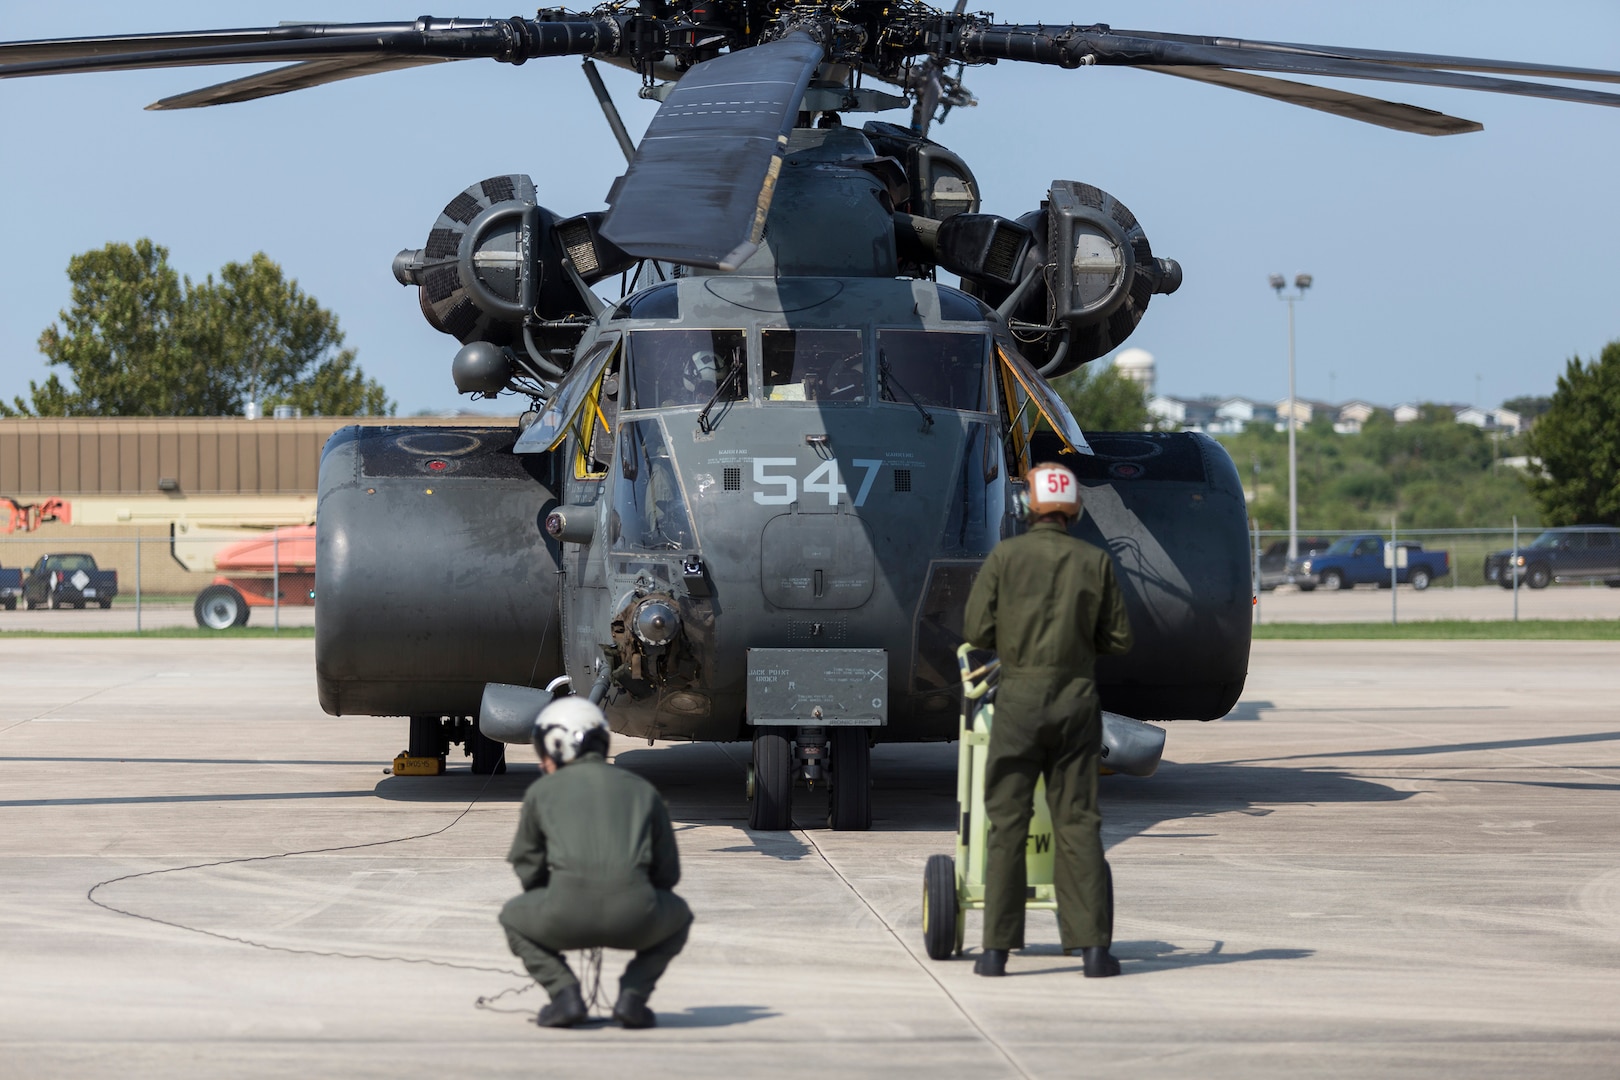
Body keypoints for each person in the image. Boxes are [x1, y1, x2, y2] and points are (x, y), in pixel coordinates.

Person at [962, 461, 1134, 979]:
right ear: (1073, 510)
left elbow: (976, 629)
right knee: (1077, 822)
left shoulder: (1006, 557)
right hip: (1076, 702)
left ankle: (995, 952)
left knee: (1007, 821)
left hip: (1017, 703)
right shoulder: (1094, 562)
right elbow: (1120, 639)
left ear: (1027, 507)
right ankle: (1093, 951)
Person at [498, 698, 693, 1028]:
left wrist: (555, 896)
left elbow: (527, 865)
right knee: (680, 916)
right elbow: (668, 872)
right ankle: (633, 996)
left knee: (512, 917)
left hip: (562, 916)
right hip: (637, 919)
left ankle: (564, 994)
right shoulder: (643, 791)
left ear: (559, 744)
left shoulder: (541, 791)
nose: (542, 763)